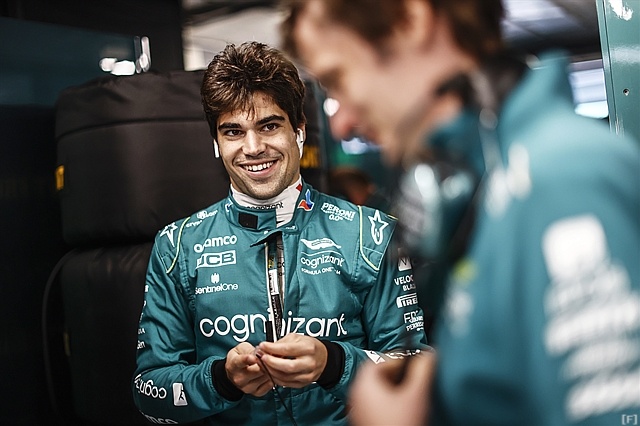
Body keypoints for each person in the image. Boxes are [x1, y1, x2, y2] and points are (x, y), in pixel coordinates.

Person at [281, 0, 640, 425]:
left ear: (410, 19)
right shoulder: (483, 183)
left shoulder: (560, 178)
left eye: (338, 79)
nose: (340, 124)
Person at [131, 41, 427, 426]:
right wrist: (221, 381)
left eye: (269, 126)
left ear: (299, 131)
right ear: (216, 144)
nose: (253, 148)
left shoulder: (371, 234)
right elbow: (148, 393)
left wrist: (333, 364)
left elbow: (416, 376)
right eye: (233, 131)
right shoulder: (177, 246)